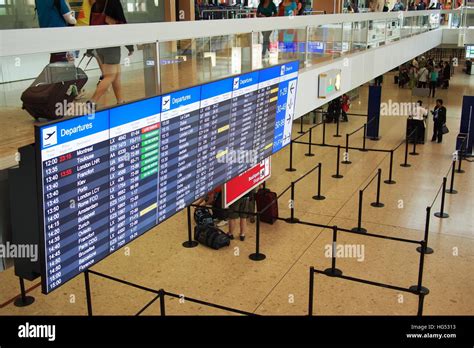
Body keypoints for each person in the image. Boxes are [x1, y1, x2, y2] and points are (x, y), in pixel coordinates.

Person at [87, 0, 134, 107]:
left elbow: (91, 27)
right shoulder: (113, 3)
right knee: (110, 76)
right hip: (111, 45)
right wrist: (130, 46)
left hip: (99, 46)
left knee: (116, 74)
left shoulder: (95, 4)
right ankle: (92, 102)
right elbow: (123, 25)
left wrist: (90, 48)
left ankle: (120, 101)